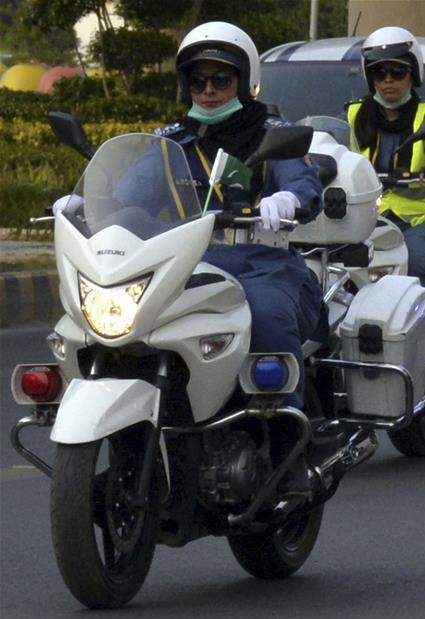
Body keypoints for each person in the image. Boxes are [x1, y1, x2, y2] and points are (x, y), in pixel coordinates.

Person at [54, 21, 326, 414]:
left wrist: (288, 198)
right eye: (198, 82)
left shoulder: (273, 133)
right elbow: (130, 200)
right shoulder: (170, 142)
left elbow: (304, 185)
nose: (209, 91)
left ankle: (287, 434)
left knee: (266, 318)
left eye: (221, 79)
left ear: (244, 80)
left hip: (262, 265)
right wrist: (88, 205)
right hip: (186, 267)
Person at [347, 26, 425, 287]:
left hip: (419, 220)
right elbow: (338, 154)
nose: (388, 80)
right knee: (332, 268)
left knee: (414, 267)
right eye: (379, 72)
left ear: (413, 74)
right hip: (366, 220)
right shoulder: (355, 114)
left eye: (398, 71)